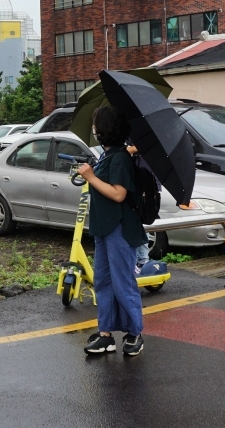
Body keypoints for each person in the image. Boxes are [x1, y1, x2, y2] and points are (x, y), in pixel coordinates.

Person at [77, 105, 147, 357]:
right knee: (103, 282)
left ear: (104, 129)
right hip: (104, 227)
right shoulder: (109, 154)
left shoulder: (119, 158)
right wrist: (91, 172)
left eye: (96, 124)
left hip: (120, 228)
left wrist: (91, 177)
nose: (93, 129)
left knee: (122, 282)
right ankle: (105, 334)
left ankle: (134, 333)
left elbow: (118, 194)